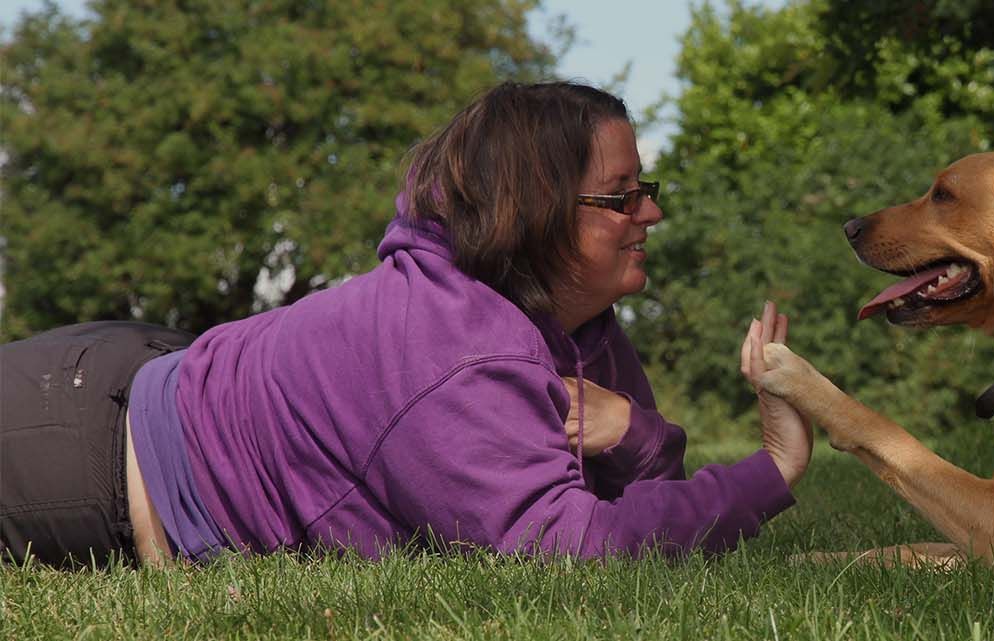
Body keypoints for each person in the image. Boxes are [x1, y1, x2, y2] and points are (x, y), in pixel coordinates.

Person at [0, 81, 813, 567]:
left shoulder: (576, 320)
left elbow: (650, 497)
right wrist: (770, 470)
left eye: (647, 186)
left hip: (142, 367)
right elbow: (568, 552)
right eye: (623, 195)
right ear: (535, 213)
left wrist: (635, 430)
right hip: (83, 456)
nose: (653, 212)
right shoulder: (461, 352)